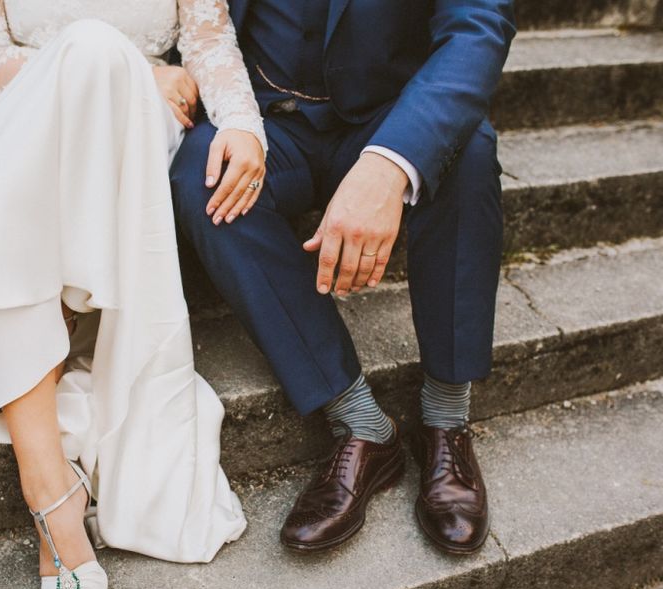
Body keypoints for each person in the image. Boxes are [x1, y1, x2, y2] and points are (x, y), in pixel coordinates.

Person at [0, 0, 266, 589]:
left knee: (89, 66)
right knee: (5, 179)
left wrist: (242, 124)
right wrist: (134, 65)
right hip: (16, 115)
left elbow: (210, 45)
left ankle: (50, 489)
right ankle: (47, 484)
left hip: (133, 125)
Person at [171, 1, 516, 554]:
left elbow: (478, 29)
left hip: (387, 114)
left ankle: (446, 416)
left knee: (469, 148)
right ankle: (360, 422)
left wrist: (390, 161)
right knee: (200, 174)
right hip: (262, 120)